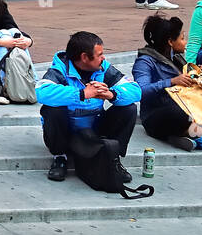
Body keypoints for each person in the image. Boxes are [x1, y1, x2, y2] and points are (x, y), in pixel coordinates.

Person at [36, 31, 141, 182]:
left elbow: (135, 90)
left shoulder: (103, 68)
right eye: (100, 54)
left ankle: (114, 158)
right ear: (85, 57)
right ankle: (60, 157)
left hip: (95, 130)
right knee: (52, 109)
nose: (103, 58)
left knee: (128, 108)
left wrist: (111, 94)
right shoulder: (61, 69)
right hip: (67, 133)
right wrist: (82, 94)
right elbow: (42, 92)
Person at [132, 13, 202, 151]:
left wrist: (197, 75)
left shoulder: (177, 58)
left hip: (191, 108)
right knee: (180, 114)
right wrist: (171, 81)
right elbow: (140, 91)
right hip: (158, 114)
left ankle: (200, 132)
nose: (185, 42)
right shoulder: (144, 62)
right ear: (170, 42)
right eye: (182, 38)